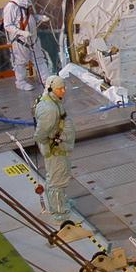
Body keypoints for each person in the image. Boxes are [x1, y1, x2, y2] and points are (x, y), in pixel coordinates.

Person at [34, 74, 75, 224]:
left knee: (55, 177)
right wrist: (48, 145)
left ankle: (59, 204)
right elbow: (41, 133)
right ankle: (60, 214)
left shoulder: (51, 101)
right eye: (60, 89)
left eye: (64, 88)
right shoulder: (49, 109)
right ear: (51, 88)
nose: (63, 91)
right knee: (58, 180)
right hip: (55, 149)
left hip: (56, 147)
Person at [3, 0, 50, 91]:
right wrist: (21, 32)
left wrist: (40, 18)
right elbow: (8, 25)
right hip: (20, 40)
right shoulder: (11, 7)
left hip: (33, 38)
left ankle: (45, 79)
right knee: (21, 62)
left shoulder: (27, 3)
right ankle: (21, 82)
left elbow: (30, 17)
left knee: (39, 59)